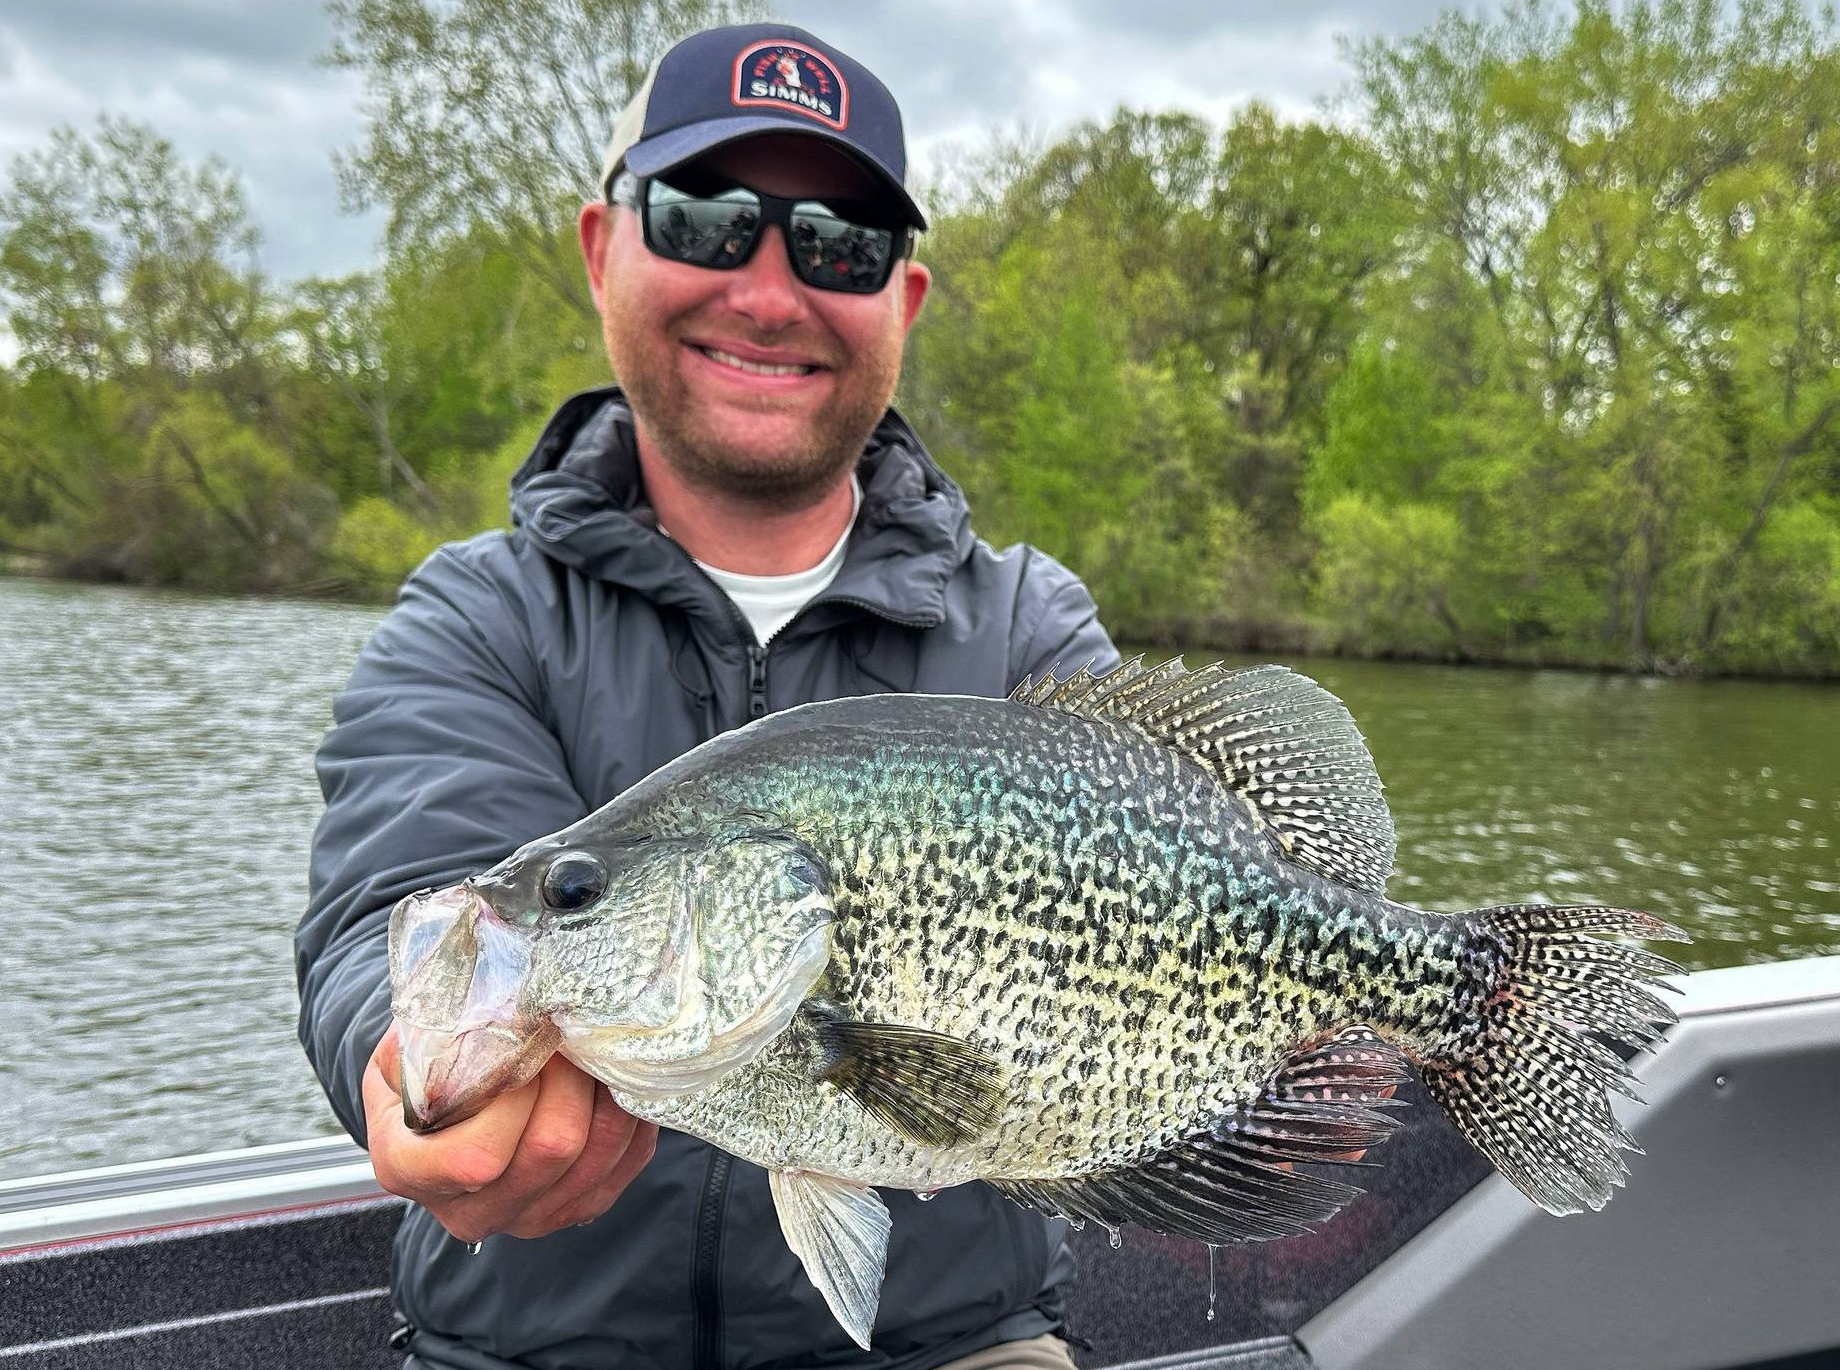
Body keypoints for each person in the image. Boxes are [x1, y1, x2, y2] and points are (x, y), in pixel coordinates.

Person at [295, 20, 1118, 1370]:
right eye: (706, 218)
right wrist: (403, 1058)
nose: (772, 287)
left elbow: (1185, 949)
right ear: (602, 247)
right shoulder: (479, 616)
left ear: (901, 303)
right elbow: (396, 905)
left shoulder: (1029, 629)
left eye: (842, 243)